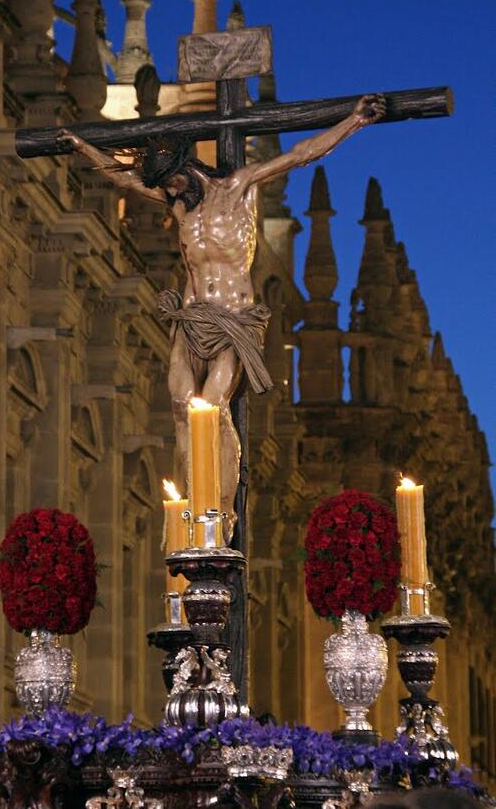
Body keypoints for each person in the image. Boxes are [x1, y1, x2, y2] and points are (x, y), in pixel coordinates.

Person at [58, 93, 386, 534]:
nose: (168, 192)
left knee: (212, 409)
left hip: (234, 320)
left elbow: (302, 154)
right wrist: (81, 146)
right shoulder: (179, 205)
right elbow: (126, 181)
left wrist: (354, 121)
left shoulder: (240, 186)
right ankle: (193, 501)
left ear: (185, 169)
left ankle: (221, 509)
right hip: (192, 319)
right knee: (180, 405)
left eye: (171, 181)